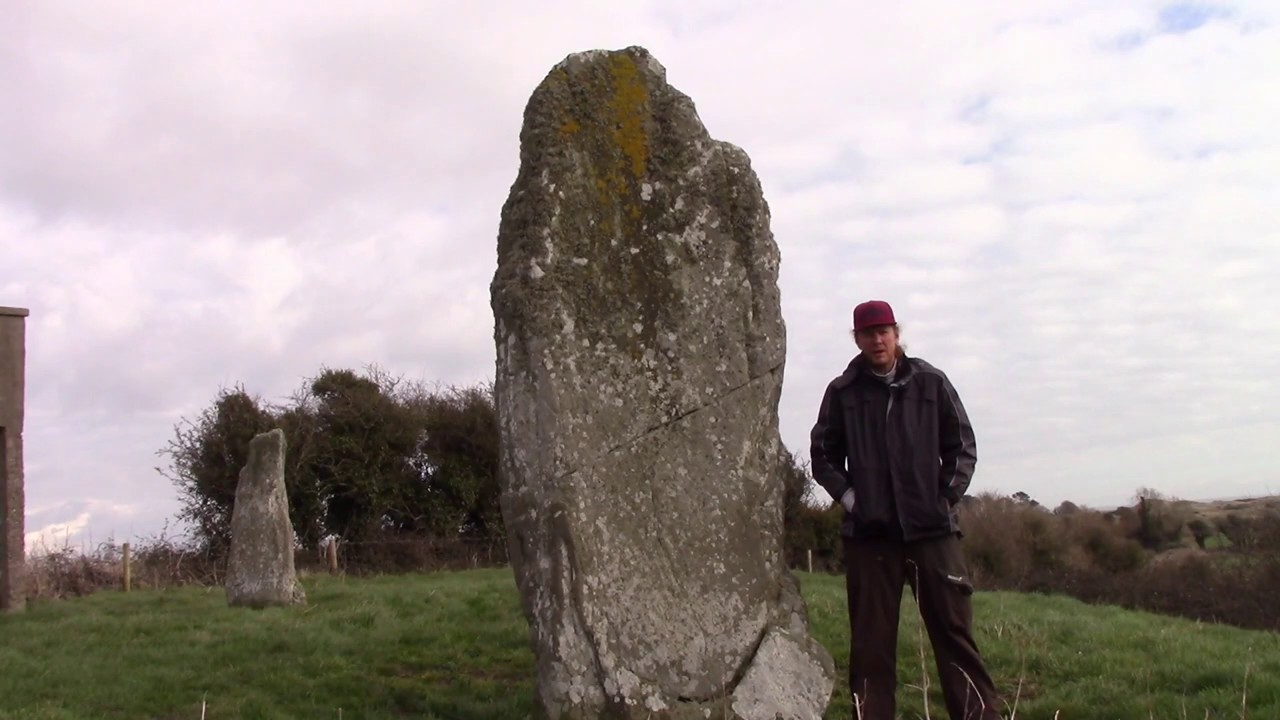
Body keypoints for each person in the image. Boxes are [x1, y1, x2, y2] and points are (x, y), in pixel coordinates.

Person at [809, 300, 1001, 720]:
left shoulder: (931, 383)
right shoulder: (842, 392)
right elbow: (823, 456)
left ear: (897, 334)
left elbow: (961, 446)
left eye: (884, 331)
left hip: (933, 533)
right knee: (871, 647)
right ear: (856, 339)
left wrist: (944, 499)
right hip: (870, 538)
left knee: (955, 638)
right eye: (867, 333)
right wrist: (852, 500)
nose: (877, 340)